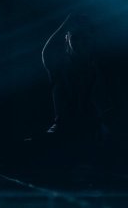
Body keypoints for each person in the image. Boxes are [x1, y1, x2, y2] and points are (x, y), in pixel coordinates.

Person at [41, 13, 112, 148]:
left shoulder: (98, 69)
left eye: (85, 38)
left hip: (91, 130)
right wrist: (68, 22)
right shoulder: (60, 66)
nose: (80, 42)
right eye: (75, 38)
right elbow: (47, 52)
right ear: (67, 39)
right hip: (65, 129)